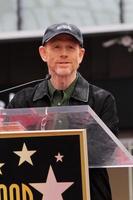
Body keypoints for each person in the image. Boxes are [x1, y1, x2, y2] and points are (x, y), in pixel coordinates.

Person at [7, 22, 119, 200]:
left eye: (70, 47)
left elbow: (103, 152)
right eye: (56, 47)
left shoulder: (102, 100)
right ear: (44, 53)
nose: (64, 53)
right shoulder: (21, 102)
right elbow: (10, 153)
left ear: (80, 55)